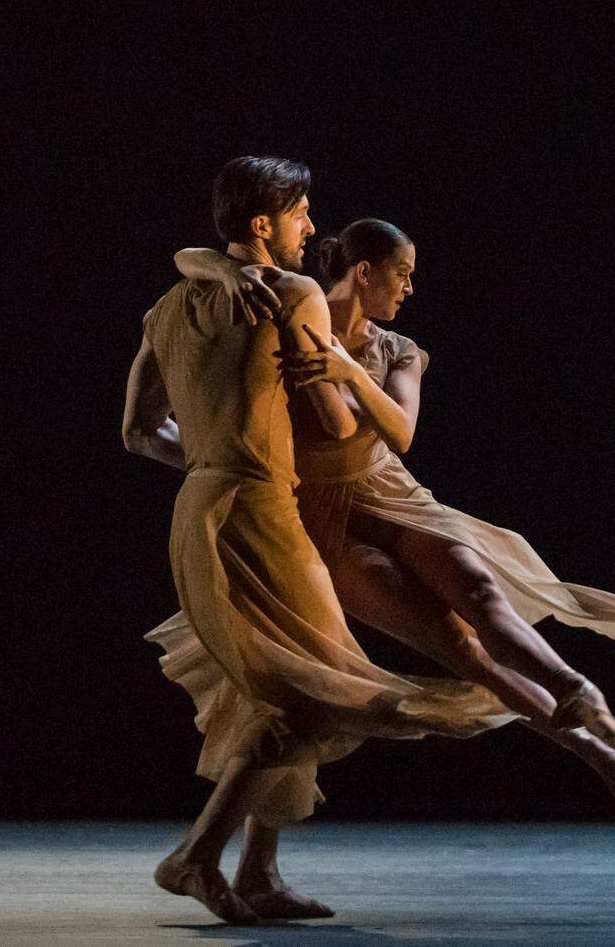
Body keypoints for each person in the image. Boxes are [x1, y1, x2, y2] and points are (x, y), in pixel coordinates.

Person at [123, 160, 516, 926]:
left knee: (273, 683)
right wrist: (343, 390)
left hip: (198, 507)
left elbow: (138, 432)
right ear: (264, 223)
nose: (313, 229)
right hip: (267, 510)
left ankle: (259, 870)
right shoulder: (295, 294)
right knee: (321, 687)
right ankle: (195, 857)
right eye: (302, 215)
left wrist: (215, 456)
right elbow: (338, 426)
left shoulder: (167, 307)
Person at [174, 217, 615, 822]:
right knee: (460, 649)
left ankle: (575, 688)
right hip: (317, 518)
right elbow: (191, 257)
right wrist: (228, 267)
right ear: (364, 271)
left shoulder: (397, 349)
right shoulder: (293, 305)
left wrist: (348, 370)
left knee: (480, 591)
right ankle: (584, 747)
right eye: (401, 274)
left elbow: (401, 432)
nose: (409, 288)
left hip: (388, 492)